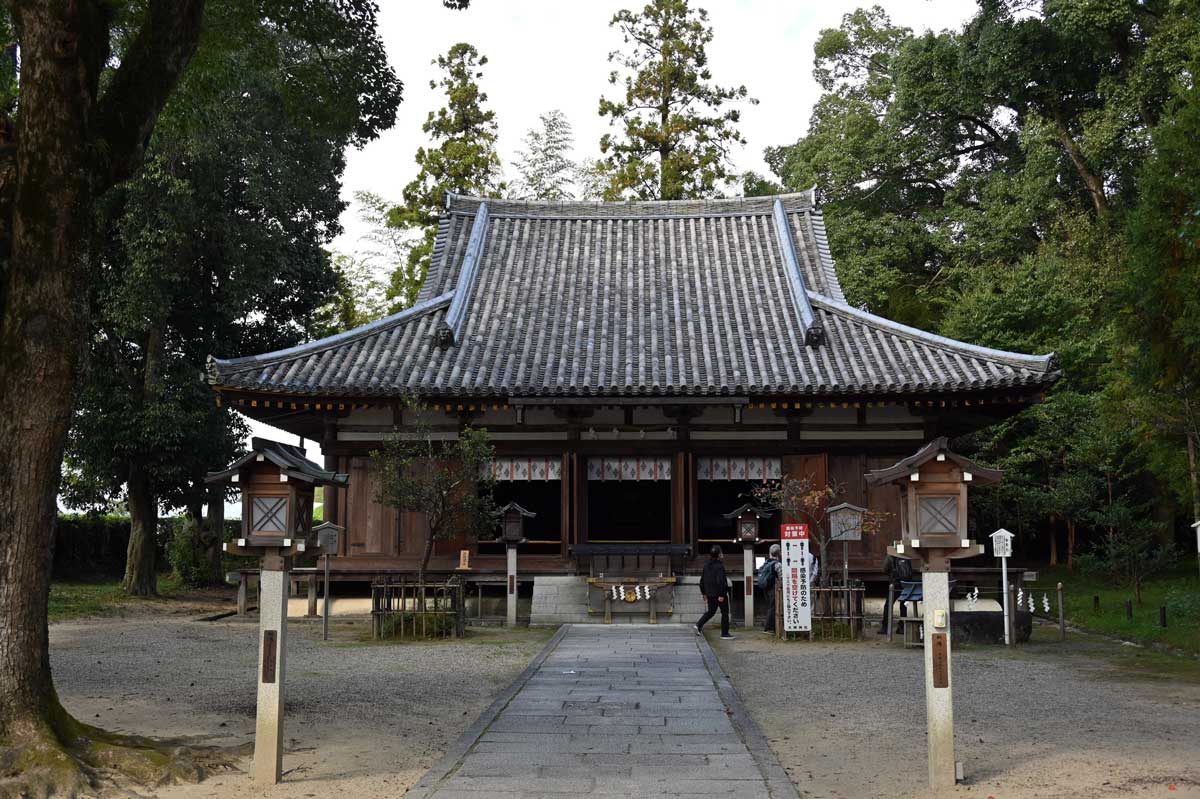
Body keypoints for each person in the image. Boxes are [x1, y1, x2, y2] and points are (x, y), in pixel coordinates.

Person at [695, 545, 734, 639]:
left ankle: (699, 624)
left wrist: (704, 593)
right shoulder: (719, 566)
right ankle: (724, 633)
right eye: (721, 553)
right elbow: (721, 581)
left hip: (710, 594)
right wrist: (722, 594)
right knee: (725, 612)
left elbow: (702, 580)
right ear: (719, 554)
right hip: (719, 594)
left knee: (711, 612)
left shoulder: (706, 565)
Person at [878, 553, 913, 634]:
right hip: (905, 585)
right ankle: (902, 628)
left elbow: (884, 569)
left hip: (894, 585)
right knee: (903, 606)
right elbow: (910, 571)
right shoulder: (906, 555)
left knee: (888, 606)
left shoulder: (890, 556)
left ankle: (885, 628)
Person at [758, 544, 783, 634]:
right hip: (773, 589)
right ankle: (769, 628)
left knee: (770, 607)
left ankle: (771, 627)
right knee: (773, 608)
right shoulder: (777, 564)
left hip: (766, 588)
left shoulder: (766, 563)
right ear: (779, 553)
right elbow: (782, 578)